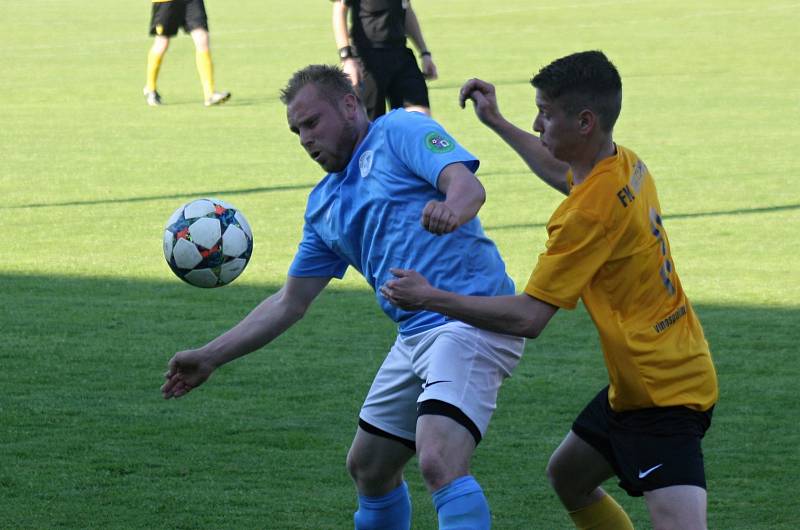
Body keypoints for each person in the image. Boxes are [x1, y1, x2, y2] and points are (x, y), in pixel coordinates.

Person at [161, 64, 525, 529]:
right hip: (415, 335)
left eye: (312, 123)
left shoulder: (400, 130)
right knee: (369, 468)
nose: (305, 139)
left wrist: (451, 210)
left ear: (350, 105)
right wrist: (211, 357)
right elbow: (288, 302)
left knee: (438, 459)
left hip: (472, 320)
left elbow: (468, 187)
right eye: (297, 131)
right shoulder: (324, 206)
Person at [381, 50, 719, 530]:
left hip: (663, 396)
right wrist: (495, 121)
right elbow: (558, 167)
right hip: (647, 377)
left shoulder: (586, 216)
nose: (537, 123)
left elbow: (528, 318)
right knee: (568, 476)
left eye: (545, 112)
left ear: (585, 121)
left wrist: (429, 296)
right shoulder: (624, 165)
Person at [331, 0, 438, 120]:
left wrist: (424, 53)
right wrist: (347, 58)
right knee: (370, 126)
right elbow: (339, 8)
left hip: (401, 56)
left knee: (419, 119)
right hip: (368, 60)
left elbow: (406, 9)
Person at [144, 0, 230, 107]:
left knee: (202, 37)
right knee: (162, 42)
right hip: (166, 2)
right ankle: (151, 89)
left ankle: (210, 94)